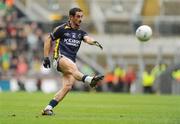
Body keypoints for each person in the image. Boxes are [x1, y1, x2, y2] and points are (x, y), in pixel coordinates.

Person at [42, 7, 104, 115]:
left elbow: (87, 39)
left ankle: (48, 108)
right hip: (59, 58)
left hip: (70, 61)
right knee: (74, 68)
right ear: (71, 17)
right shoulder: (61, 29)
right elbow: (48, 40)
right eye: (78, 16)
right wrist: (46, 57)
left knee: (68, 86)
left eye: (81, 17)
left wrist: (94, 42)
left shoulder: (81, 33)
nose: (80, 19)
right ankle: (90, 80)